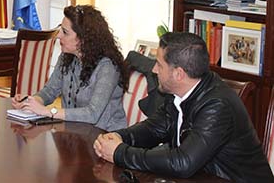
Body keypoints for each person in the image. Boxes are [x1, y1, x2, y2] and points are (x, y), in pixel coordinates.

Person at [93, 32, 274, 182]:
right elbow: (153, 129)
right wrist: (118, 137)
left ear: (179, 74)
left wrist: (119, 152)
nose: (154, 70)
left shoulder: (217, 105)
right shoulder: (179, 93)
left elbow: (183, 163)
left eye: (159, 65)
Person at [12, 5, 128, 131]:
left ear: (84, 39)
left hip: (104, 138)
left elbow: (92, 114)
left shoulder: (108, 67)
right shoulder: (67, 57)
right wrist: (30, 102)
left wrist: (47, 111)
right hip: (74, 132)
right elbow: (49, 91)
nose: (58, 36)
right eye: (60, 30)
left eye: (65, 33)